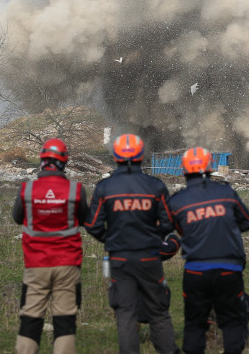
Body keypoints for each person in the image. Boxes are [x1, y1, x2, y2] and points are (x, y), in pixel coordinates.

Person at [84, 134, 179, 354]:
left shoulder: (105, 187)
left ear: (116, 156)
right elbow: (168, 222)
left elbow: (92, 224)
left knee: (125, 313)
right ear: (141, 156)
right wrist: (152, 236)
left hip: (120, 257)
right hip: (149, 256)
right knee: (158, 312)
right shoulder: (155, 185)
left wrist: (111, 240)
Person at [168, 147, 249, 354]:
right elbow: (246, 222)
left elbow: (176, 229)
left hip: (196, 270)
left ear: (183, 170)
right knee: (232, 322)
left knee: (194, 324)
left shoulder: (178, 200)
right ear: (210, 168)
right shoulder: (226, 192)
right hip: (229, 268)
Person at [12, 138, 90, 354]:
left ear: (42, 160)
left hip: (36, 265)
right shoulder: (76, 191)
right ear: (64, 162)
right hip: (67, 264)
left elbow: (18, 218)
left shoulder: (27, 190)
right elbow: (85, 218)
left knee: (30, 317)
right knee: (65, 320)